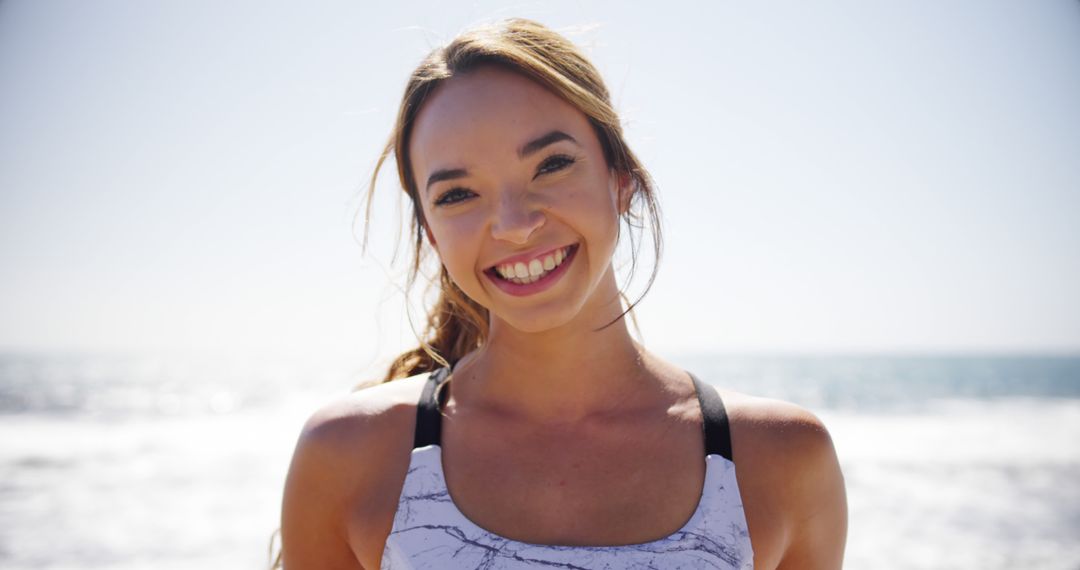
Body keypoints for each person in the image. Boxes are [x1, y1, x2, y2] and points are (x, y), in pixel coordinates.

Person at [279, 18, 847, 570]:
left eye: (551, 165)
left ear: (619, 178)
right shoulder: (348, 456)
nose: (514, 224)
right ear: (432, 231)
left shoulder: (778, 460)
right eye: (457, 194)